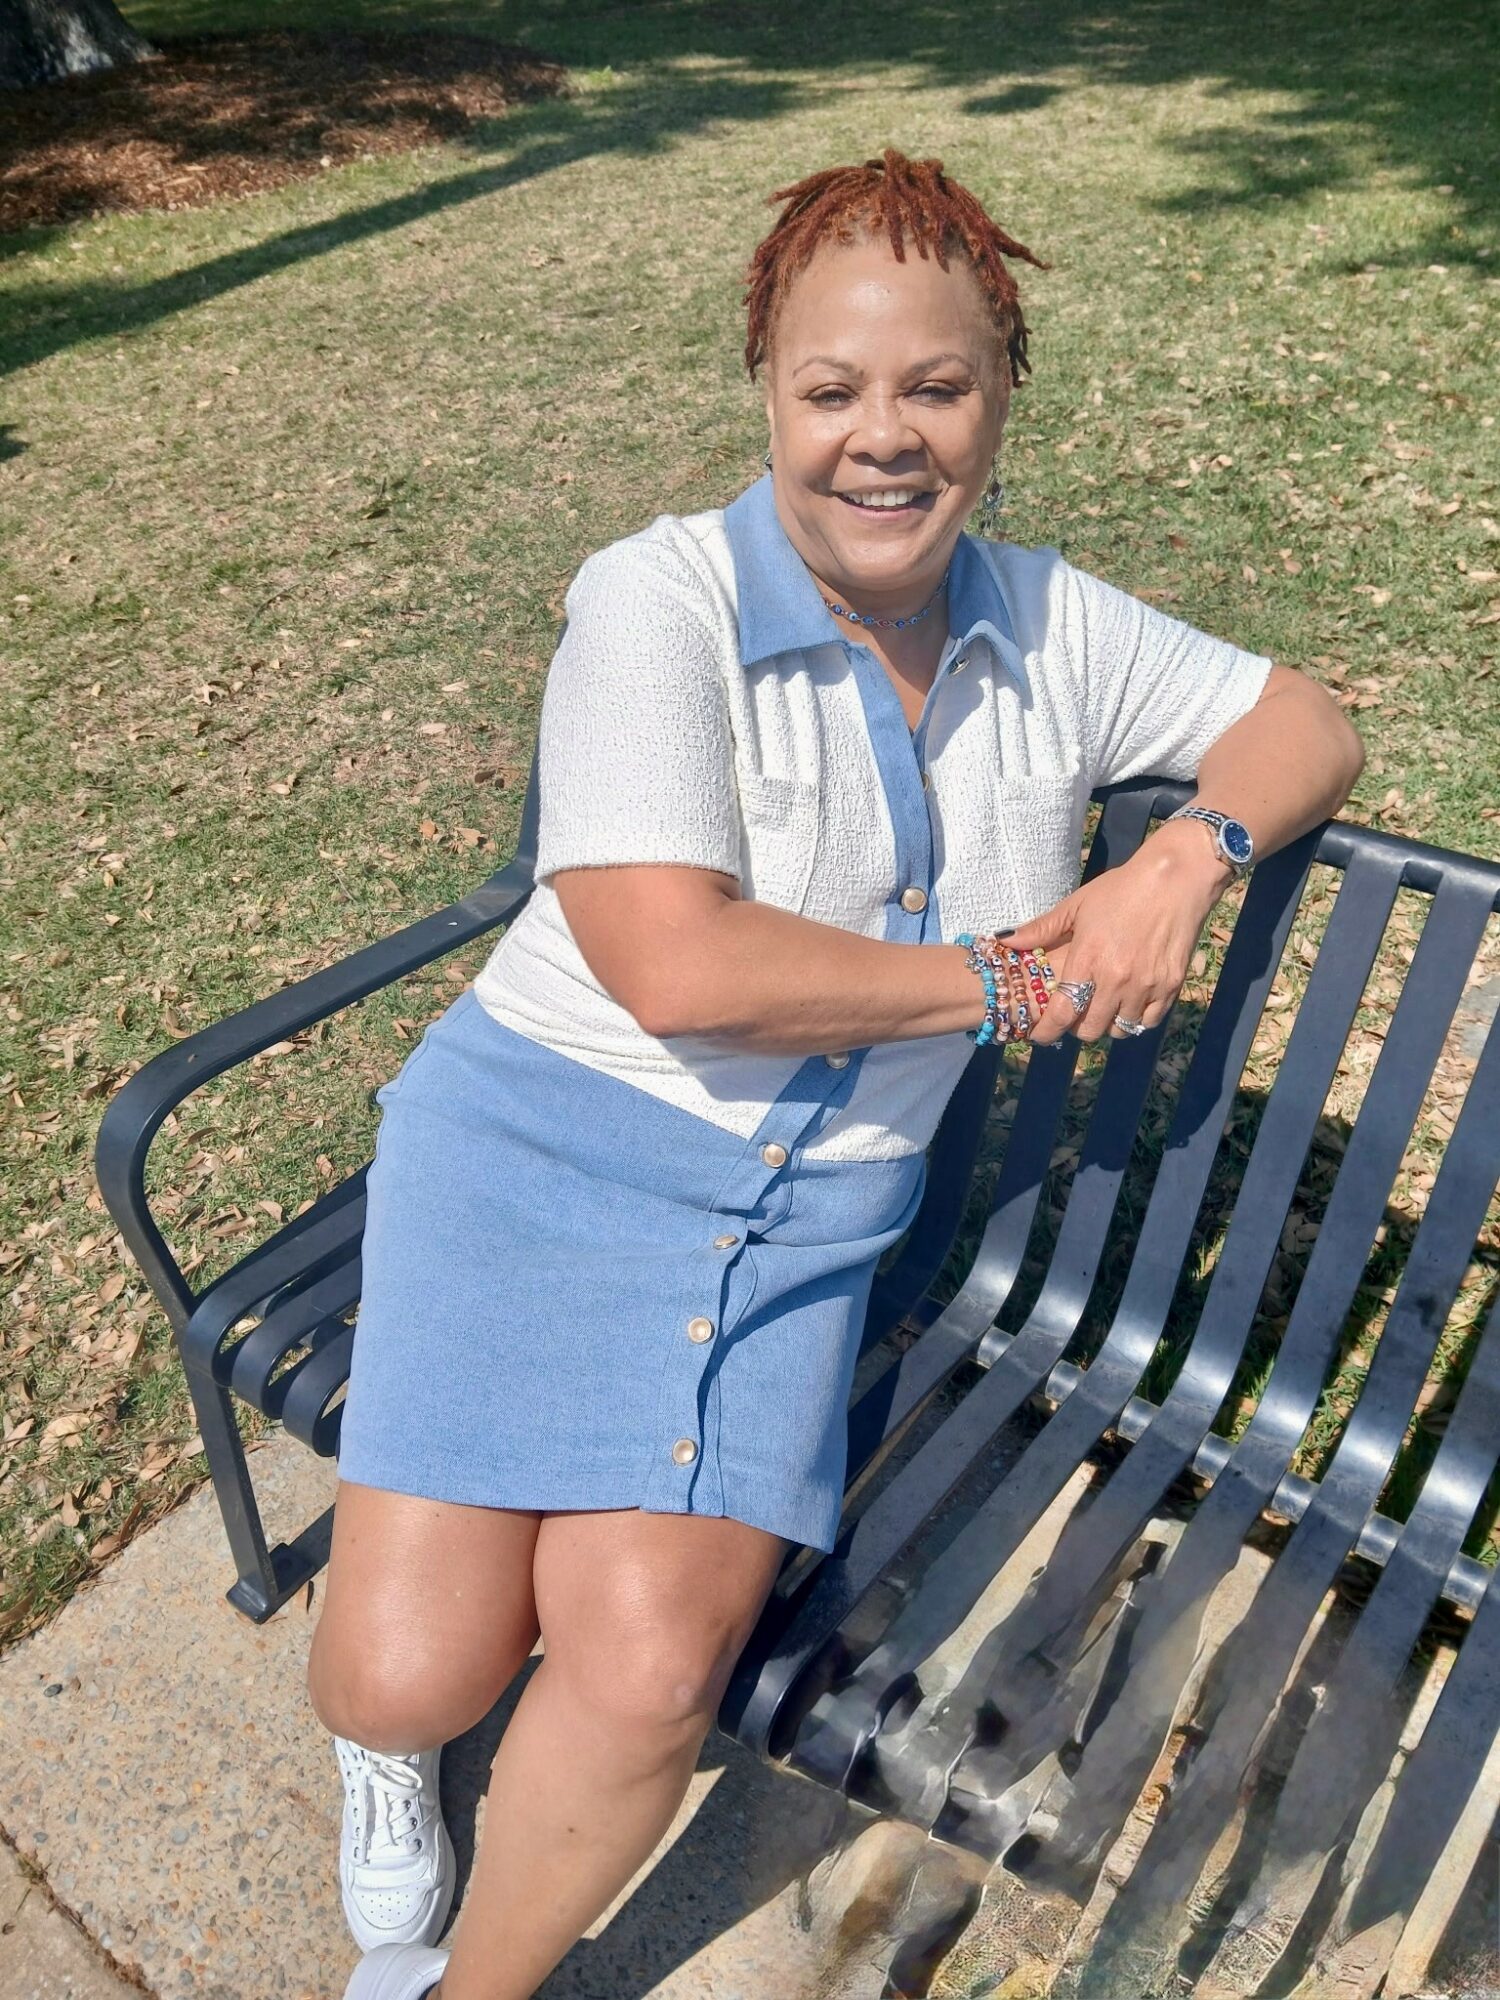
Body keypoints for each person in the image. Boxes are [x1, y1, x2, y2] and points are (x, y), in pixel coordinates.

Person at [310, 149, 1364, 2000]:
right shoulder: (659, 601)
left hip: (805, 1226)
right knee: (412, 1670)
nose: (885, 439)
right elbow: (675, 963)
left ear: (1001, 396)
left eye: (936, 388)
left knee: (643, 1665)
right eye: (833, 389)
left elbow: (1309, 720)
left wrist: (1178, 863)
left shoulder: (1048, 621)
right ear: (768, 399)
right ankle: (390, 1753)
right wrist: (1018, 981)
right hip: (542, 1156)